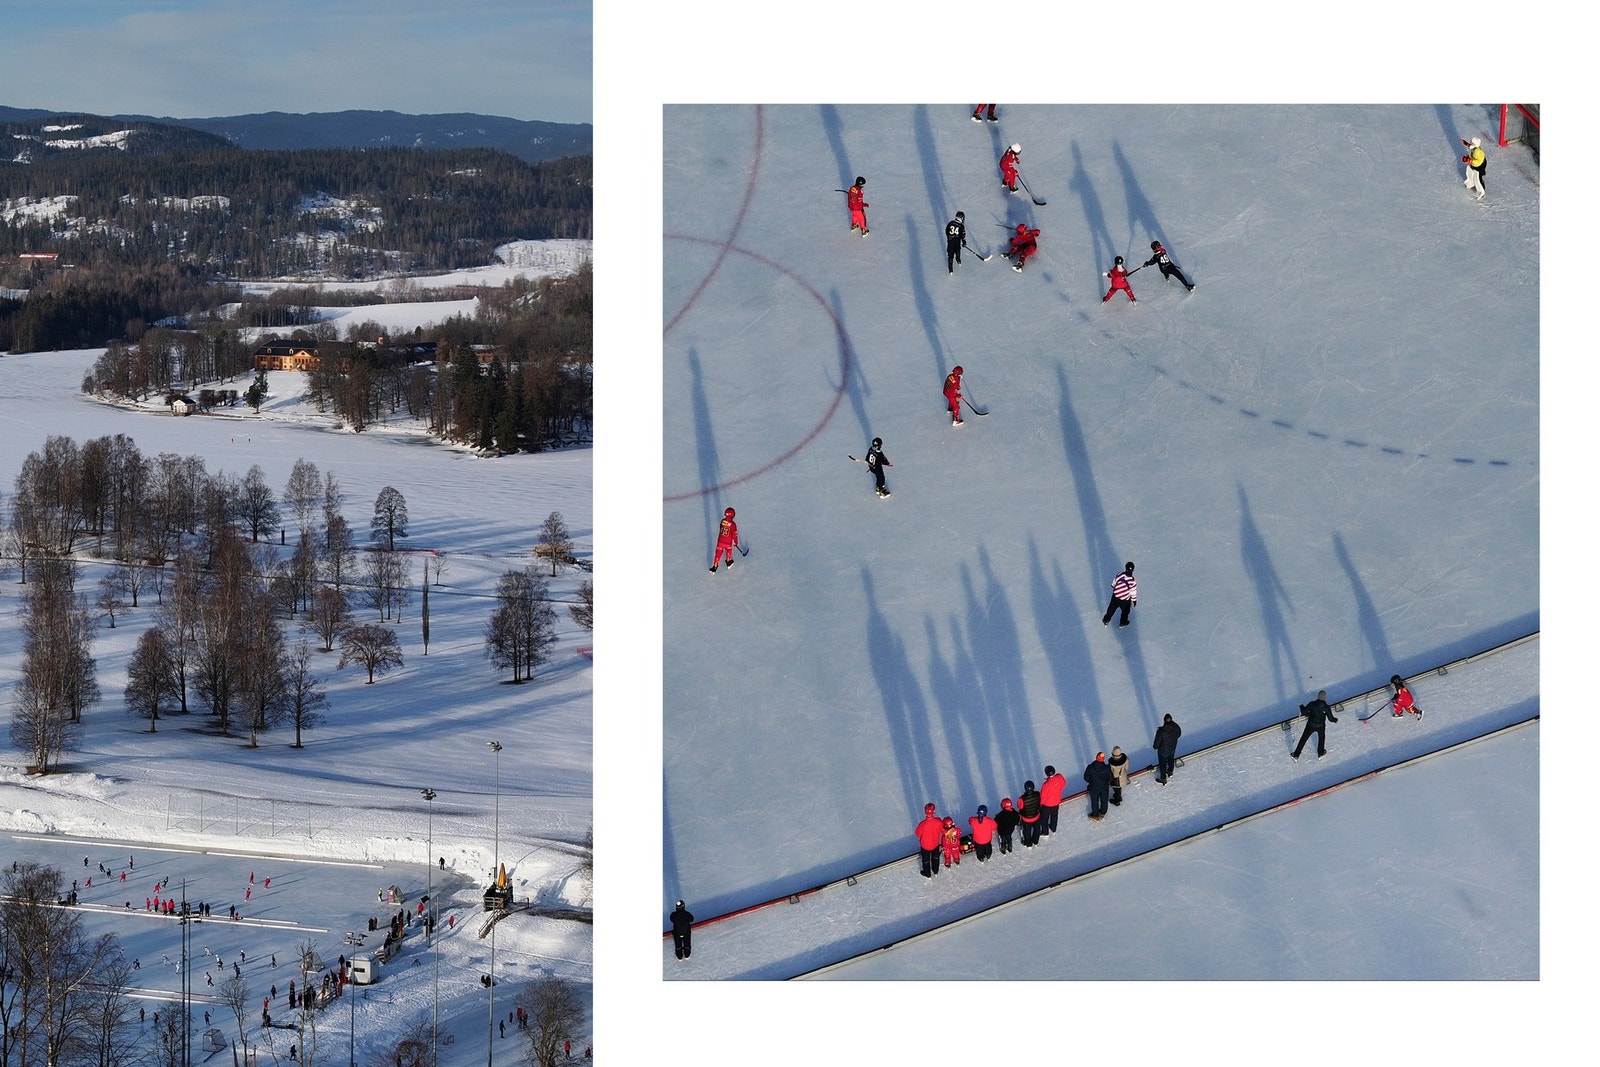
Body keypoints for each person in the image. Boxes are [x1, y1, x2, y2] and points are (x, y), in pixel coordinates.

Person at [1291, 690, 1339, 760]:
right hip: (1321, 726)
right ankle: (1320, 753)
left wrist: (1301, 707)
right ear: (1324, 697)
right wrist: (1335, 720)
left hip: (1310, 724)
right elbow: (1330, 718)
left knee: (1304, 739)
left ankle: (1296, 755)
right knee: (1321, 738)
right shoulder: (1326, 707)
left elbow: (1304, 712)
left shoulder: (1312, 704)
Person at [1102, 561, 1137, 627]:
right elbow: (1133, 592)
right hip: (1125, 599)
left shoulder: (1119, 575)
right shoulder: (1132, 580)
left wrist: (1115, 589)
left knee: (1111, 608)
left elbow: (1113, 584)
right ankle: (1123, 622)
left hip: (1116, 596)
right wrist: (1134, 600)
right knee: (1125, 610)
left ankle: (1106, 620)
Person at [915, 802, 945, 878]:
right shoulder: (939, 821)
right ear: (934, 811)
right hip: (935, 844)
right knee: (935, 858)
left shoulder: (922, 824)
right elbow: (943, 831)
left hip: (925, 846)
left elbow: (917, 834)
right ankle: (935, 870)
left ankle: (927, 873)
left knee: (926, 860)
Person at [1153, 713, 1182, 784]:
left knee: (1162, 764)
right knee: (1171, 758)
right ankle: (1170, 771)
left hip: (1163, 751)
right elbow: (1179, 734)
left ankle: (1163, 778)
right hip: (1172, 747)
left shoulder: (1161, 731)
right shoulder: (1175, 727)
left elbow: (1156, 746)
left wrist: (1156, 746)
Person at [1038, 765, 1067, 836]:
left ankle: (1045, 832)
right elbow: (1064, 784)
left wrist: (1039, 804)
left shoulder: (1046, 785)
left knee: (1044, 819)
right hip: (1056, 802)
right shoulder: (1059, 777)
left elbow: (1043, 797)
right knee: (1054, 816)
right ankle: (1053, 828)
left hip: (1047, 805)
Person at [709, 507, 739, 573]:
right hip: (728, 542)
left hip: (720, 541)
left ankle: (715, 566)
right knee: (728, 550)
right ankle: (728, 562)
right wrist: (736, 542)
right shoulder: (733, 524)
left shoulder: (722, 521)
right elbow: (734, 534)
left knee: (718, 553)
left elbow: (720, 528)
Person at [1084, 752, 1112, 820]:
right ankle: (1103, 812)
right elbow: (1111, 778)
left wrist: (1092, 782)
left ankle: (1095, 814)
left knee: (1094, 801)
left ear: (1096, 757)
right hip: (1104, 787)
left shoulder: (1090, 767)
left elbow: (1086, 777)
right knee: (1104, 800)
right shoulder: (1107, 768)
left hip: (1093, 787)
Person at [1017, 781, 1043, 847]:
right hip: (1036, 816)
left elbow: (1019, 806)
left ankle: (1028, 843)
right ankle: (1035, 841)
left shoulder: (1022, 799)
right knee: (1037, 829)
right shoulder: (1038, 794)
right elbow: (1040, 802)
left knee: (1027, 831)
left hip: (1026, 819)